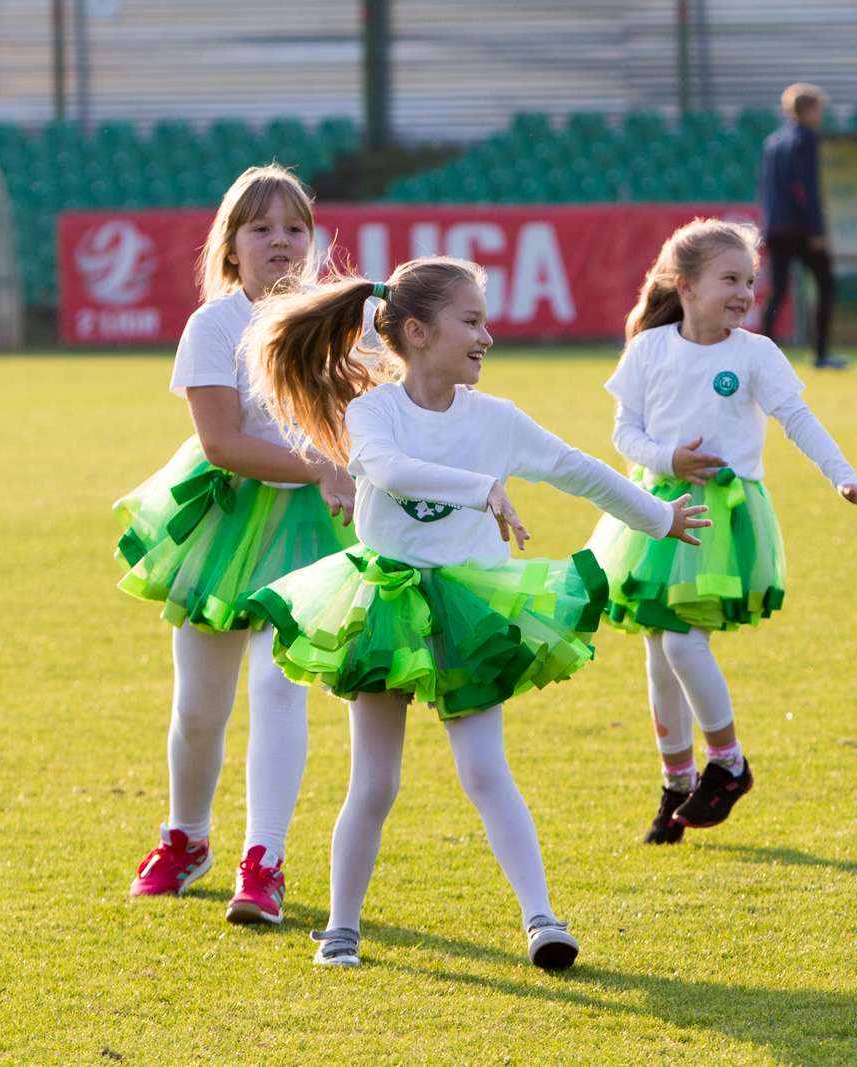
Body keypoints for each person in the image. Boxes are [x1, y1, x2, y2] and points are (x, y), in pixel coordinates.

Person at [242, 257, 708, 971]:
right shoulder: (373, 411)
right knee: (375, 780)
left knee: (487, 770)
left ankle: (542, 920)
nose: (487, 336)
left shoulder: (497, 419)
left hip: (469, 610)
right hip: (387, 607)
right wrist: (481, 487)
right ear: (420, 332)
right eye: (472, 321)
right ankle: (341, 928)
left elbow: (577, 468)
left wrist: (656, 515)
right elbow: (390, 470)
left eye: (486, 321)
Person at [585, 218, 857, 844]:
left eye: (751, 280)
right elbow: (624, 433)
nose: (746, 292)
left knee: (683, 646)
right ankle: (676, 786)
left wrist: (844, 477)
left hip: (722, 516)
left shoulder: (755, 353)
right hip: (655, 509)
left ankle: (729, 763)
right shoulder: (649, 349)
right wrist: (669, 461)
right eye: (731, 279)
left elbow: (797, 418)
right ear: (684, 285)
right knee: (659, 656)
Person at [113, 164, 357, 925]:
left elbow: (379, 411)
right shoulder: (214, 326)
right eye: (261, 228)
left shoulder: (338, 318)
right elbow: (220, 443)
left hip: (312, 529)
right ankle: (186, 838)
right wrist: (320, 466)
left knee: (280, 688)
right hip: (225, 523)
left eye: (294, 228)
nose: (280, 241)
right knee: (199, 708)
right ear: (231, 246)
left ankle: (265, 860)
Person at [761, 82, 846, 369]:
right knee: (826, 284)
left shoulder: (774, 141)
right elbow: (806, 187)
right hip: (800, 228)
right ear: (808, 110)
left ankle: (761, 351)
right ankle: (820, 353)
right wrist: (817, 230)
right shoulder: (807, 140)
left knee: (778, 289)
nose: (820, 115)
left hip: (775, 226)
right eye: (818, 109)